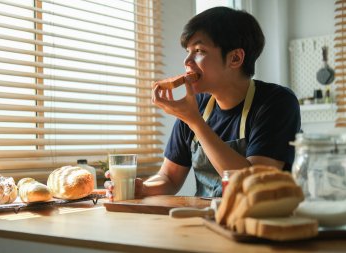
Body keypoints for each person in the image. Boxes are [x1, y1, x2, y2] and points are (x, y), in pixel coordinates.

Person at [105, 6, 301, 199]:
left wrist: (195, 122)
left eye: (199, 50)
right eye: (188, 51)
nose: (187, 61)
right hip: (204, 219)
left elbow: (254, 185)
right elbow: (169, 178)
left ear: (235, 58)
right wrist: (143, 188)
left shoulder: (277, 102)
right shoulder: (196, 106)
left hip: (257, 221)